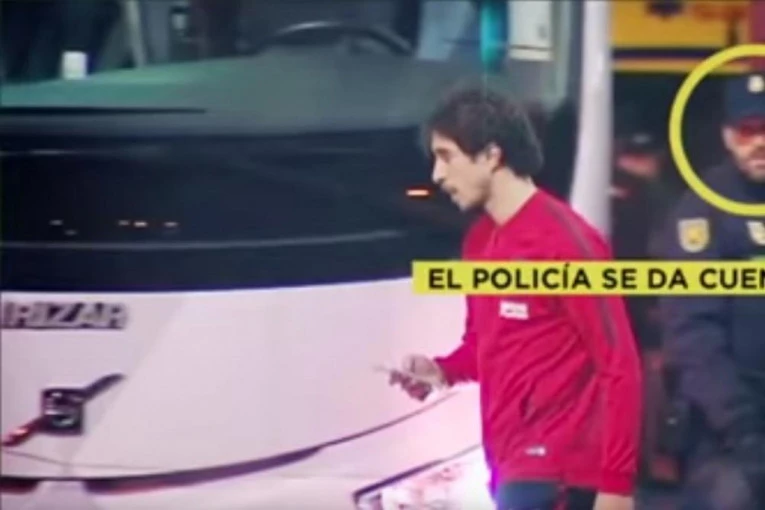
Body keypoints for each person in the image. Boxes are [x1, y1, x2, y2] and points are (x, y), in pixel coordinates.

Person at [388, 83, 643, 510]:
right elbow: (486, 346)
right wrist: (442, 371)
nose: (437, 175)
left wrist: (616, 486)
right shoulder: (479, 243)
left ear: (491, 155)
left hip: (559, 475)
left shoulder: (567, 243)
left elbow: (619, 365)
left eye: (447, 156)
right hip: (510, 466)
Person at [657, 71, 765, 510]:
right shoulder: (703, 211)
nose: (759, 142)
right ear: (727, 136)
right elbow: (692, 333)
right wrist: (742, 428)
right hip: (730, 431)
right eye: (747, 130)